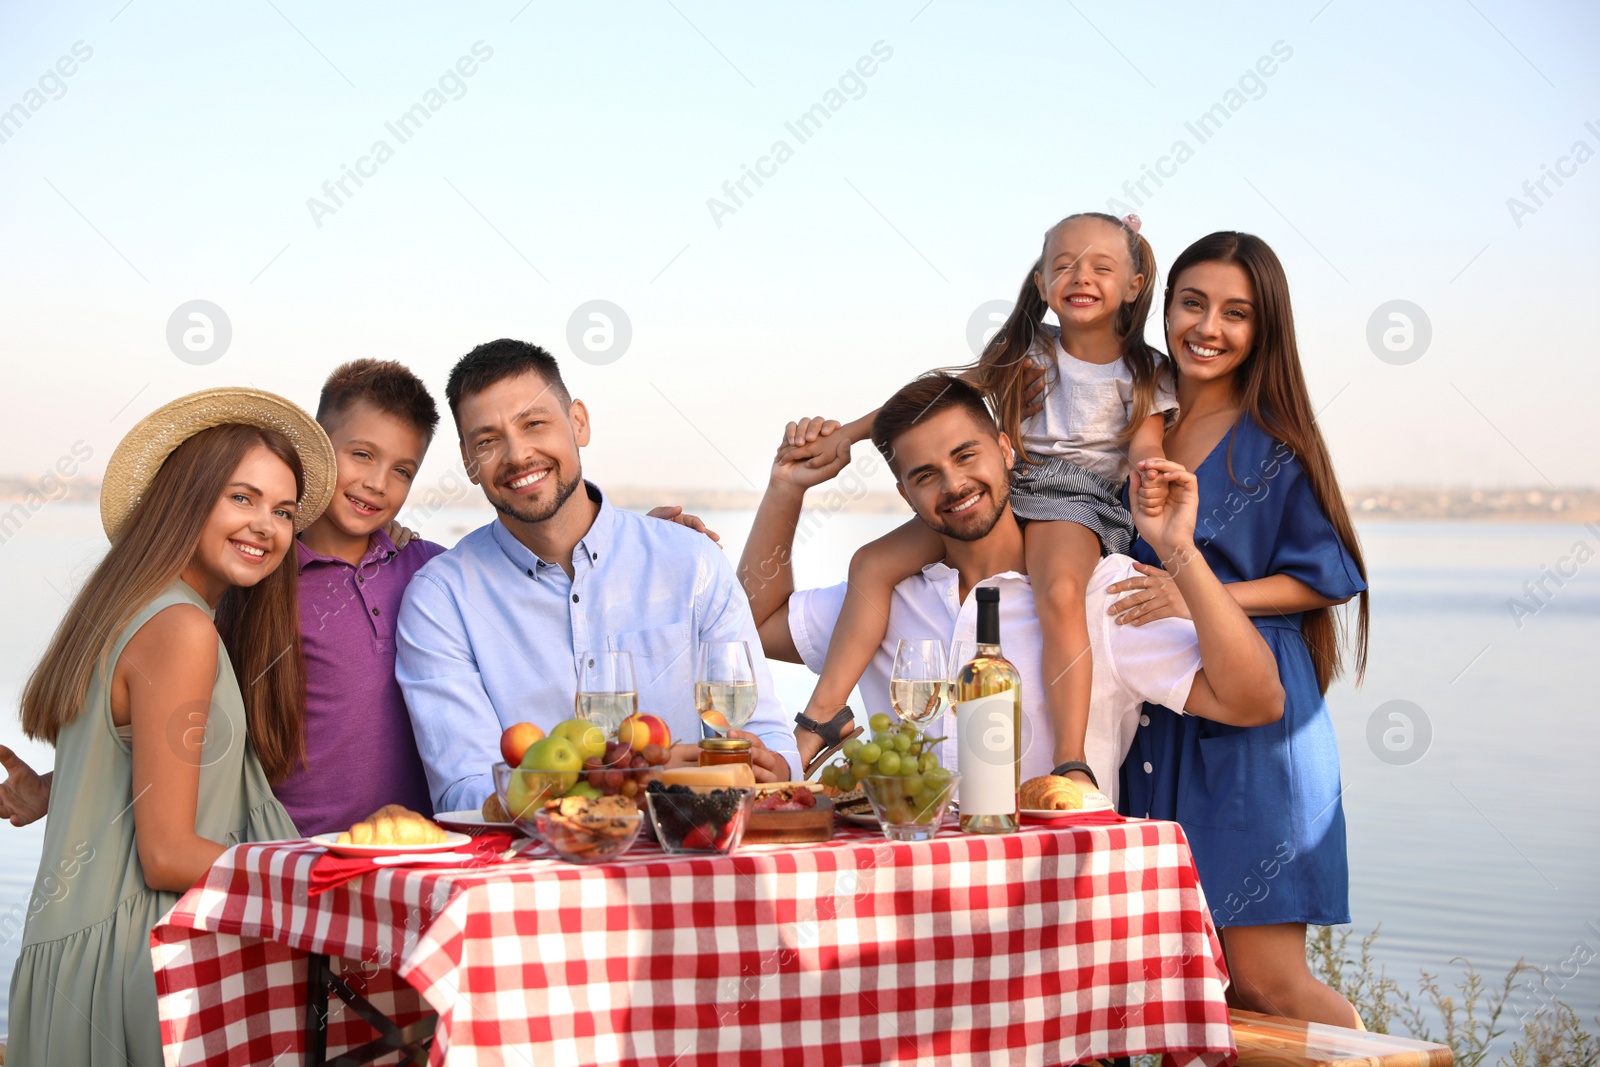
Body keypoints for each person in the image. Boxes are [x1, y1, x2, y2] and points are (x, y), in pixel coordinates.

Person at [741, 373, 1284, 799]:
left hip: (1056, 909)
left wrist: (1179, 551)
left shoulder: (1101, 594)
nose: (954, 484)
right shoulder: (886, 598)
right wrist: (785, 490)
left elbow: (1257, 701)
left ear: (1005, 451)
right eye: (925, 475)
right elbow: (755, 626)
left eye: (965, 455)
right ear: (905, 494)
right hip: (913, 911)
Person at [787, 213, 1177, 788]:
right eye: (1063, 265)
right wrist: (850, 432)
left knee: (1061, 592)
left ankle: (1070, 760)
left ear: (1134, 286)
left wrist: (1151, 475)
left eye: (1101, 266)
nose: (1081, 276)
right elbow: (940, 395)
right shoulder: (1031, 350)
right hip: (1004, 486)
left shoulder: (1145, 369)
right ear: (1042, 285)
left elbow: (1146, 442)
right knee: (871, 564)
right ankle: (823, 717)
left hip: (1078, 500)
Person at [7, 388, 331, 1067]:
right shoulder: (183, 630)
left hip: (76, 961)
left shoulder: (136, 606)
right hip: (147, 966)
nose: (266, 526)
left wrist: (53, 790)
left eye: (281, 510)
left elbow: (137, 760)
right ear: (186, 497)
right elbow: (168, 853)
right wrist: (322, 873)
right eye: (241, 498)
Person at [1112, 232, 1370, 1027]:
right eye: (1193, 303)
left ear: (1265, 330)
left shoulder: (1273, 442)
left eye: (1237, 312)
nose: (1209, 327)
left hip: (1254, 718)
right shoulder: (1148, 428)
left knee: (1267, 979)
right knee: (1205, 987)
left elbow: (1324, 576)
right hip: (1168, 713)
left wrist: (1202, 598)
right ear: (1165, 308)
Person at [396, 339, 799, 814]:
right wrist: (636, 780)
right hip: (534, 873)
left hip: (691, 851)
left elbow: (768, 734)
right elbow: (465, 790)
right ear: (468, 462)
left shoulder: (691, 562)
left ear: (579, 423)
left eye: (535, 423)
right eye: (487, 441)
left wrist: (774, 766)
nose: (518, 454)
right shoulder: (440, 599)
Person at [272, 359, 446, 835]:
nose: (378, 483)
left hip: (419, 857)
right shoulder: (262, 580)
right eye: (363, 455)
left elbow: (534, 587)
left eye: (403, 470)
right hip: (300, 860)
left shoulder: (433, 570)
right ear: (316, 448)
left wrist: (635, 546)